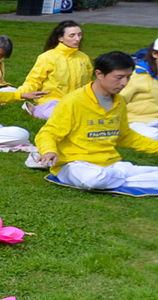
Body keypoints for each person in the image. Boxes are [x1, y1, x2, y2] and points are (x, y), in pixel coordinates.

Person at [33, 51, 158, 191]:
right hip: (75, 164)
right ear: (99, 74)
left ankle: (117, 177)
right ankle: (126, 178)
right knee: (94, 179)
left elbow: (125, 136)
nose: (124, 83)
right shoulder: (74, 101)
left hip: (110, 164)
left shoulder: (119, 102)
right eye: (119, 77)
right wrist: (49, 151)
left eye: (128, 77)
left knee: (103, 177)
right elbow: (49, 132)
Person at [19, 20, 92, 119]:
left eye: (79, 35)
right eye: (72, 35)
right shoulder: (47, 57)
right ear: (60, 38)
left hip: (76, 102)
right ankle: (36, 110)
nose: (77, 39)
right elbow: (33, 81)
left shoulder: (84, 58)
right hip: (50, 102)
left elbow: (88, 84)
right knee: (63, 117)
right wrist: (15, 95)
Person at [120, 38, 158, 139]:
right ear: (155, 54)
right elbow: (117, 100)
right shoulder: (134, 75)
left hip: (156, 120)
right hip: (135, 121)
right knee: (152, 136)